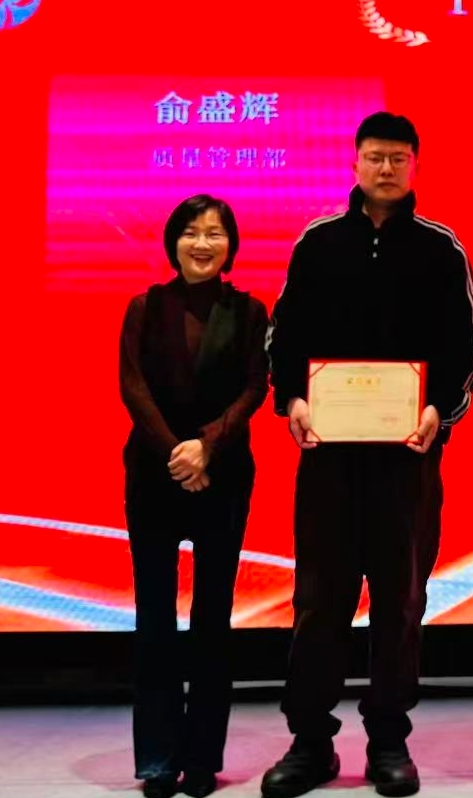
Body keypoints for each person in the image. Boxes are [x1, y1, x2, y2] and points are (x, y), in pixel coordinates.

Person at [259, 112, 473, 798]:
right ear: (354, 163)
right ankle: (310, 741)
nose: (385, 169)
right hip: (328, 457)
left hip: (407, 458)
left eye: (397, 158)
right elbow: (283, 335)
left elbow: (466, 345)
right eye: (374, 157)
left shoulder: (440, 248)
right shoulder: (318, 243)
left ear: (414, 166)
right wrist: (292, 400)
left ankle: (389, 739)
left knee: (400, 601)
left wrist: (437, 410)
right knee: (318, 600)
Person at [119, 194, 270, 798]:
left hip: (224, 476)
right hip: (154, 476)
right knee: (154, 616)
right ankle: (158, 759)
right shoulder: (145, 307)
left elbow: (255, 387)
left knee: (213, 618)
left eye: (214, 233)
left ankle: (203, 757)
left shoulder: (250, 311)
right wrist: (177, 453)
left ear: (230, 246)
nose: (202, 244)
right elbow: (132, 386)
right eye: (190, 232)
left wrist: (206, 447)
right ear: (172, 242)